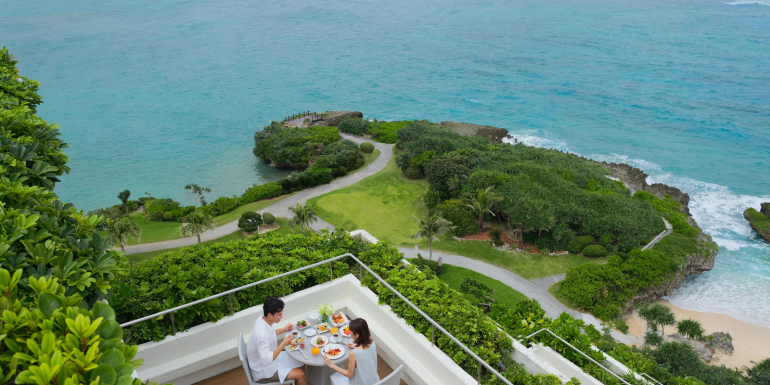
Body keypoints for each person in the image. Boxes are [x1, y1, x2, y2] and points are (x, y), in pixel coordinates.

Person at [247, 297, 307, 385]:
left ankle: (298, 381)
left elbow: (269, 334)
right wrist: (283, 344)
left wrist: (285, 329)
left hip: (271, 360)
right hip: (265, 372)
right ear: (270, 314)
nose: (281, 316)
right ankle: (300, 379)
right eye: (279, 314)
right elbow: (266, 360)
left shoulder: (262, 319)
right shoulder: (261, 335)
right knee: (301, 375)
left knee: (300, 361)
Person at [324, 318, 380, 385]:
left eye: (350, 330)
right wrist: (356, 346)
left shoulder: (353, 353)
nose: (349, 332)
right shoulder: (373, 342)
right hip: (375, 381)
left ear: (357, 335)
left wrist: (331, 365)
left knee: (333, 377)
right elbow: (366, 355)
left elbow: (349, 374)